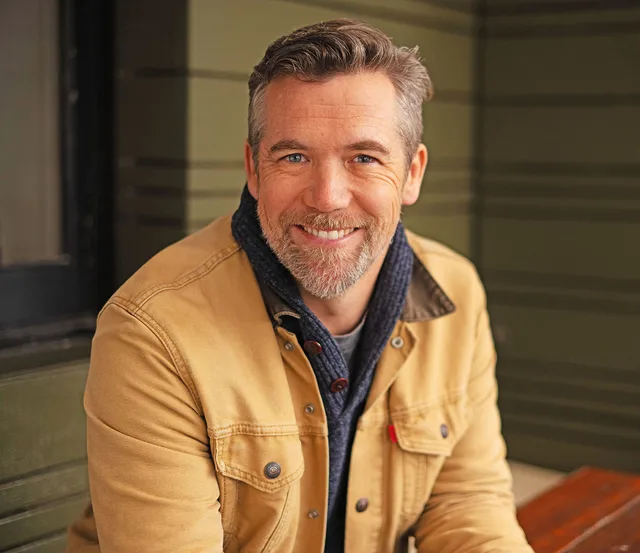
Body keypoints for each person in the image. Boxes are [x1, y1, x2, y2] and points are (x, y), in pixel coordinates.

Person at [64, 18, 534, 553]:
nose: (328, 196)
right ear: (253, 169)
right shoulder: (154, 331)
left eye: (364, 157)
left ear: (412, 174)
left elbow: (468, 503)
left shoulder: (456, 292)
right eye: (293, 157)